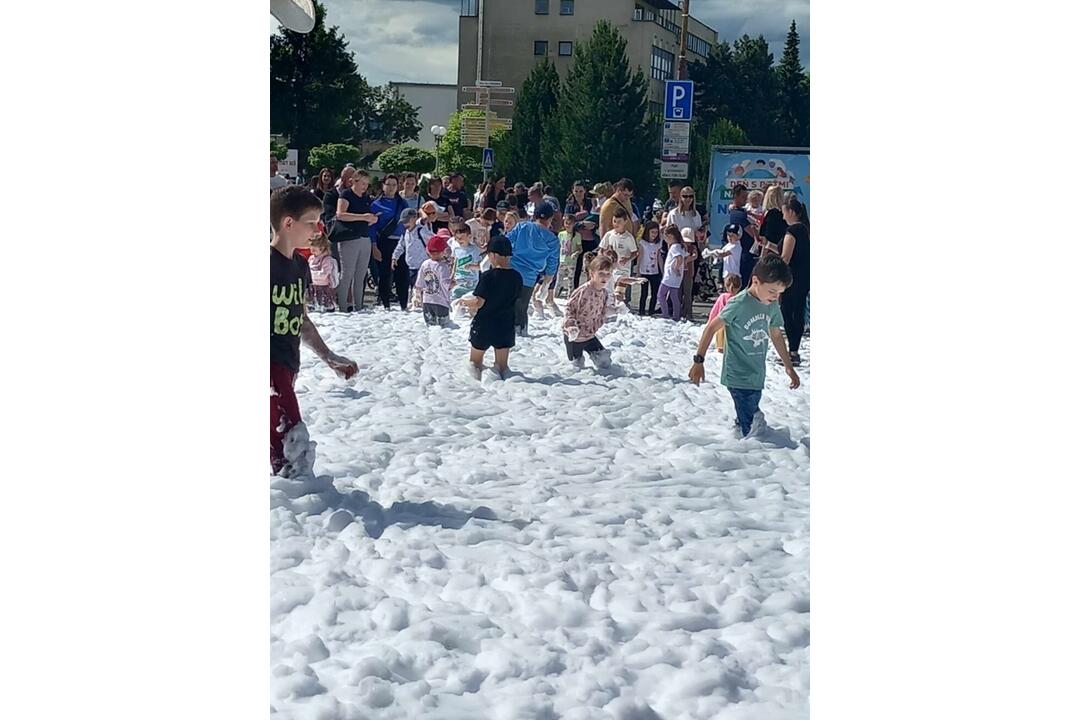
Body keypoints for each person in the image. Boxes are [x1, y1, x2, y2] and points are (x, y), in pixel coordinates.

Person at [270, 187, 358, 476]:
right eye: (311, 222)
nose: (318, 228)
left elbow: (302, 320)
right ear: (288, 223)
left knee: (277, 441)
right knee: (292, 436)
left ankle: (288, 503)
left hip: (289, 361)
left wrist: (329, 356)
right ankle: (297, 504)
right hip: (269, 367)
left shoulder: (299, 266)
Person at [688, 255, 800, 438]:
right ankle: (754, 454)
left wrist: (788, 366)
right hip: (737, 373)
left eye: (780, 293)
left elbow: (776, 334)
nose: (776, 297)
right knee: (752, 422)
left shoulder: (770, 304)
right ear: (756, 281)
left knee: (748, 417)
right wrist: (699, 360)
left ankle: (743, 442)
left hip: (756, 373)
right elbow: (711, 328)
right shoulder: (739, 303)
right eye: (772, 291)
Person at [461, 236, 523, 380]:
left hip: (484, 324)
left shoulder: (488, 276)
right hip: (506, 325)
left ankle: (478, 389)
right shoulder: (517, 277)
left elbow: (478, 302)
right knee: (503, 368)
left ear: (494, 255)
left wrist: (464, 302)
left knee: (474, 364)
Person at [506, 201, 560, 336]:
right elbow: (552, 263)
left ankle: (506, 329)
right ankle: (521, 331)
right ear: (550, 219)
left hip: (511, 270)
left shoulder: (521, 226)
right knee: (522, 306)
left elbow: (506, 241)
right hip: (529, 277)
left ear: (535, 215)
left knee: (507, 303)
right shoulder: (552, 239)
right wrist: (547, 281)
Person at [333, 171, 379, 312]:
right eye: (362, 183)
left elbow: (366, 217)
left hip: (364, 237)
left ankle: (358, 306)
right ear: (355, 181)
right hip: (349, 238)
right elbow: (340, 214)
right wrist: (363, 217)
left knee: (361, 274)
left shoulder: (365, 198)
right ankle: (342, 307)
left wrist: (371, 219)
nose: (365, 186)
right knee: (347, 273)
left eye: (367, 184)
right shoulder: (346, 194)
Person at [562, 255, 616, 370]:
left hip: (589, 334)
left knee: (604, 361)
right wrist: (571, 325)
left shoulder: (604, 293)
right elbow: (569, 307)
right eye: (601, 273)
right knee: (577, 366)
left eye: (608, 274)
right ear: (592, 273)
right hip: (574, 336)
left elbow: (602, 310)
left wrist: (616, 310)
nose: (605, 277)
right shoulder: (584, 290)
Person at [778, 197, 810, 366]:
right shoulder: (806, 229)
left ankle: (791, 352)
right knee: (798, 312)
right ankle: (794, 351)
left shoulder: (793, 231)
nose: (783, 217)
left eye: (784, 212)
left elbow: (786, 257)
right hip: (805, 277)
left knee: (788, 313)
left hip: (791, 278)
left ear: (790, 212)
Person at [370, 174, 408, 310]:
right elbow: (372, 228)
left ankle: (403, 303)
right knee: (384, 273)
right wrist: (374, 246)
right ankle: (385, 303)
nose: (391, 188)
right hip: (384, 242)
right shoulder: (375, 204)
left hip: (401, 242)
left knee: (402, 273)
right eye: (389, 184)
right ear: (383, 186)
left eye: (394, 185)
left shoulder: (403, 203)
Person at [391, 207, 432, 310]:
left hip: (423, 265)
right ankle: (414, 305)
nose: (405, 224)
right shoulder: (405, 233)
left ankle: (425, 305)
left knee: (424, 287)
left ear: (414, 219)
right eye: (403, 222)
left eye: (407, 221)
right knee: (413, 287)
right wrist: (394, 257)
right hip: (411, 266)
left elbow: (432, 240)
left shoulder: (421, 230)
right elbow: (400, 246)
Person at [599, 207, 639, 308]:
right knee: (608, 293)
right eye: (614, 221)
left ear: (625, 222)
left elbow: (635, 253)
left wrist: (627, 259)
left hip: (623, 271)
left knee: (619, 293)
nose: (616, 224)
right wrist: (604, 257)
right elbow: (601, 250)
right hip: (610, 270)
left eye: (619, 222)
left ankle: (621, 312)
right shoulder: (609, 235)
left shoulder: (628, 237)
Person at [416, 233, 454, 327]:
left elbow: (419, 283)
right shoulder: (443, 266)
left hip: (427, 301)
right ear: (443, 251)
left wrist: (418, 296)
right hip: (441, 302)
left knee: (430, 327)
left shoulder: (425, 264)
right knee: (443, 329)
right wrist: (453, 283)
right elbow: (446, 284)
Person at [729, 184, 760, 283]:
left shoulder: (743, 211)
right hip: (743, 253)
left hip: (747, 253)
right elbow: (752, 233)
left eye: (746, 197)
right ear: (735, 196)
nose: (745, 199)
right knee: (745, 281)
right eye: (743, 197)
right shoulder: (738, 215)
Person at [706, 274, 743, 352]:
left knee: (721, 348)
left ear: (725, 285)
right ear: (739, 286)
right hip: (735, 329)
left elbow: (714, 311)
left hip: (721, 327)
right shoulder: (740, 298)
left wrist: (710, 323)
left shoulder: (723, 297)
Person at [658, 226, 686, 321]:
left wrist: (675, 268)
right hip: (676, 277)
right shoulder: (680, 246)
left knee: (661, 295)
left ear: (670, 236)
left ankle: (665, 314)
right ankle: (676, 316)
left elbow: (679, 258)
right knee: (674, 297)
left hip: (670, 276)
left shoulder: (675, 247)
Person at [449, 222, 482, 305]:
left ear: (469, 237)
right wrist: (452, 274)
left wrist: (471, 266)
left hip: (471, 281)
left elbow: (481, 266)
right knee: (455, 297)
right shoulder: (456, 249)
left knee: (469, 300)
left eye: (461, 238)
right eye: (457, 238)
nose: (459, 240)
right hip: (459, 279)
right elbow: (455, 262)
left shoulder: (475, 250)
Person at [306, 233, 339, 312]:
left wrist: (311, 274)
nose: (312, 250)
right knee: (312, 309)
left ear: (322, 248)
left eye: (314, 248)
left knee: (326, 310)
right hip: (312, 288)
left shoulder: (327, 260)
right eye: (311, 248)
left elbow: (324, 274)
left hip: (323, 289)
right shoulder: (311, 258)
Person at [637, 220, 663, 315]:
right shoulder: (642, 243)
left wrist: (662, 270)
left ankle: (651, 311)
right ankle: (641, 311)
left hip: (655, 271)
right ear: (647, 232)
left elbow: (659, 257)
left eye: (656, 232)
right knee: (644, 293)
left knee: (654, 293)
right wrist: (638, 271)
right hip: (644, 271)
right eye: (652, 232)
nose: (654, 234)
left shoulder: (658, 243)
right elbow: (639, 257)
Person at [556, 213, 582, 298]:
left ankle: (570, 296)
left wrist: (575, 253)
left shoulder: (577, 235)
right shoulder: (561, 234)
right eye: (566, 223)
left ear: (574, 224)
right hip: (562, 260)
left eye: (570, 223)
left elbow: (580, 248)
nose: (567, 225)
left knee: (571, 280)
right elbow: (558, 246)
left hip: (572, 261)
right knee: (559, 278)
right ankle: (555, 294)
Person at [758, 185, 787, 259]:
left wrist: (762, 256)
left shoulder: (772, 214)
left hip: (771, 252)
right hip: (783, 249)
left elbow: (767, 237)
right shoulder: (784, 213)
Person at [574, 213, 601, 289]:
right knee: (577, 267)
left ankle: (591, 287)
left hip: (594, 242)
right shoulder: (572, 206)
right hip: (579, 242)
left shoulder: (595, 212)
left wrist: (594, 225)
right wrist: (582, 224)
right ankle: (575, 288)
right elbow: (569, 221)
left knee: (592, 267)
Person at [679, 227, 700, 321]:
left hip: (688, 273)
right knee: (678, 294)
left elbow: (695, 255)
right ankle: (679, 312)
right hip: (678, 274)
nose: (687, 243)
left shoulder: (693, 247)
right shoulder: (678, 247)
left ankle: (689, 313)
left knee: (688, 294)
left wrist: (689, 259)